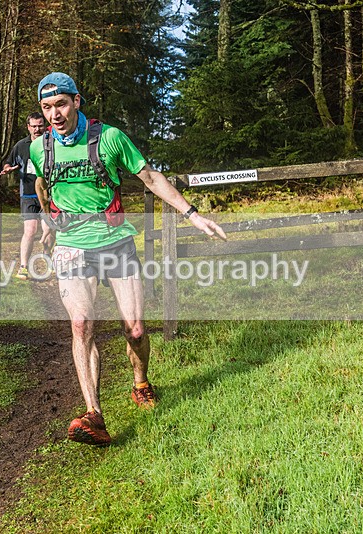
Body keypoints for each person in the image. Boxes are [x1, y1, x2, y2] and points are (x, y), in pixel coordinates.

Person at [29, 72, 227, 446]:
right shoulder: (40, 150)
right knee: (81, 325)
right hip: (72, 244)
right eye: (46, 107)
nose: (54, 114)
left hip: (115, 240)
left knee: (135, 328)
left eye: (61, 104)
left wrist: (193, 215)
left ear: (77, 102)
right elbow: (42, 183)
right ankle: (94, 415)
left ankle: (140, 382)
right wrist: (48, 221)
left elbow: (150, 178)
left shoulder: (110, 138)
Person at [0, 112, 53, 280]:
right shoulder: (21, 145)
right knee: (30, 230)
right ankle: (23, 266)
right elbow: (9, 161)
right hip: (28, 194)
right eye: (34, 126)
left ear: (45, 126)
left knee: (49, 229)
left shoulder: (52, 142)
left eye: (40, 126)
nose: (37, 129)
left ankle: (47, 257)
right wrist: (8, 168)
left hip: (48, 193)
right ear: (28, 127)